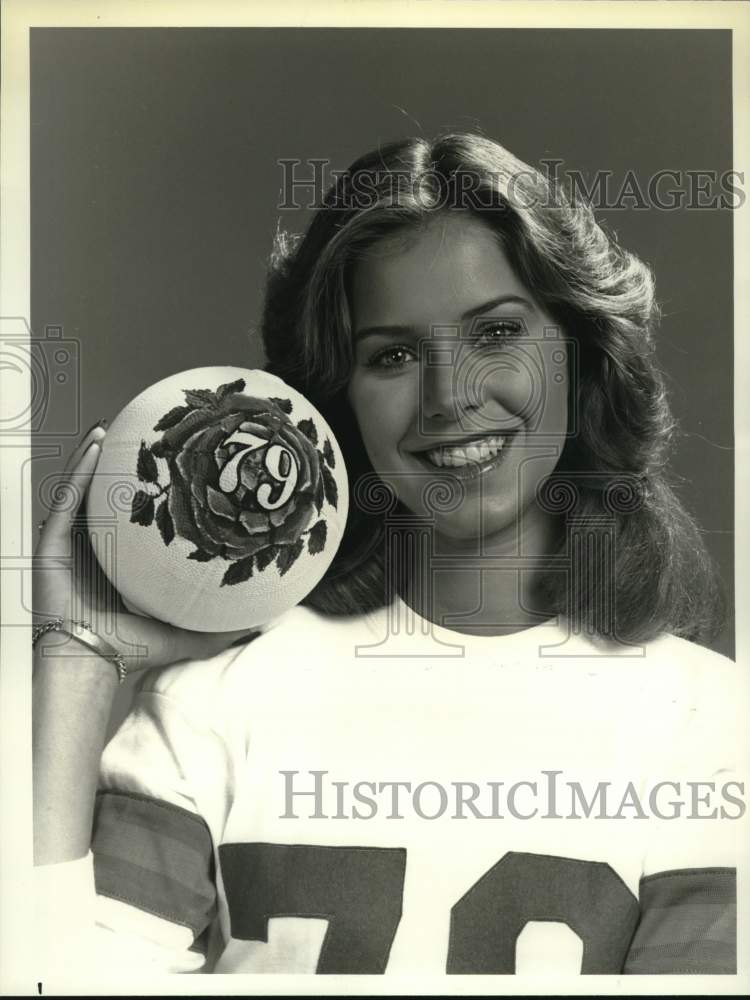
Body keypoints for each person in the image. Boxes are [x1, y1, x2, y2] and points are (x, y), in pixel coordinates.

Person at [33, 133, 744, 978]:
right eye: (393, 355)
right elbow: (58, 977)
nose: (449, 398)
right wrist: (77, 663)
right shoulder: (216, 701)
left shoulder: (714, 726)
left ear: (582, 350)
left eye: (497, 333)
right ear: (340, 396)